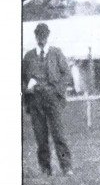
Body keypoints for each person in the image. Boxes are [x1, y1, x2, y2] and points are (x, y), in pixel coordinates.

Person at [22, 23, 73, 175]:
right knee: (40, 137)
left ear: (48, 35)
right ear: (35, 36)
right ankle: (45, 169)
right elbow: (22, 78)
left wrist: (57, 91)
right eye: (39, 35)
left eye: (44, 35)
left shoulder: (56, 53)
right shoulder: (29, 56)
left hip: (53, 100)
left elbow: (66, 75)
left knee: (59, 135)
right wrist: (26, 89)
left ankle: (66, 167)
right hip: (35, 100)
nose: (41, 38)